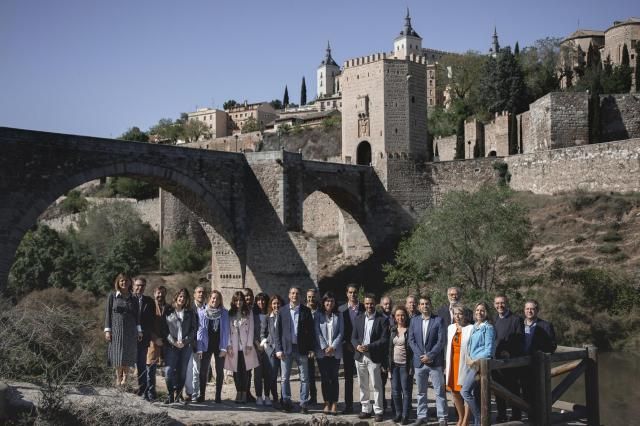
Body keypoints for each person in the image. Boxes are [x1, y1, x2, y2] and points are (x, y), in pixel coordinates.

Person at [275, 286, 316, 413]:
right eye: (292, 293)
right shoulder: (282, 311)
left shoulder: (306, 311)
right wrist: (278, 349)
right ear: (289, 295)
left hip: (302, 348)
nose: (294, 296)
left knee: (304, 378)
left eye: (297, 293)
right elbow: (278, 332)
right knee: (284, 378)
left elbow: (311, 332)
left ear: (300, 296)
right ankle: (287, 402)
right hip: (286, 349)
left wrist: (311, 348)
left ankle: (303, 403)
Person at [408, 295, 447, 426]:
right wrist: (421, 356)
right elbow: (411, 340)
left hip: (435, 362)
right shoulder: (414, 320)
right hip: (419, 362)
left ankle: (442, 418)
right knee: (420, 392)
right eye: (422, 304)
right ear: (419, 306)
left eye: (427, 303)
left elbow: (441, 341)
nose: (425, 306)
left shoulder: (438, 320)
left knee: (439, 391)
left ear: (431, 305)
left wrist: (430, 355)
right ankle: (422, 416)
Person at [351, 293, 389, 422]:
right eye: (367, 303)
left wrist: (369, 346)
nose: (369, 306)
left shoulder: (382, 320)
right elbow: (353, 337)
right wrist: (357, 346)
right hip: (360, 356)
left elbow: (384, 339)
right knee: (362, 384)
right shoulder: (359, 318)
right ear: (364, 304)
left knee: (376, 385)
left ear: (375, 303)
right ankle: (365, 409)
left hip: (374, 356)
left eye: (371, 303)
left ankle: (378, 411)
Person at [104, 274, 142, 388]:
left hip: (130, 329)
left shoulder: (134, 298)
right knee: (117, 354)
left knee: (127, 354)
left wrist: (139, 330)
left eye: (126, 280)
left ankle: (125, 379)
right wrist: (107, 330)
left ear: (130, 282)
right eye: (121, 281)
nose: (124, 283)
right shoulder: (112, 296)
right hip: (116, 329)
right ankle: (118, 378)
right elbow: (108, 314)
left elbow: (137, 316)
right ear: (118, 283)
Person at [461, 302, 496, 426]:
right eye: (477, 310)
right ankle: (477, 423)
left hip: (480, 365)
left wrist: (474, 361)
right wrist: (469, 358)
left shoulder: (488, 328)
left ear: (486, 312)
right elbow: (471, 346)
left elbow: (489, 350)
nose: (479, 313)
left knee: (464, 391)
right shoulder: (475, 326)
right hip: (472, 364)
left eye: (482, 310)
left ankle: (480, 418)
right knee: (476, 395)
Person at [521, 299, 557, 419]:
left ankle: (540, 418)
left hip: (538, 366)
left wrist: (541, 352)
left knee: (539, 393)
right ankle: (530, 416)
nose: (529, 311)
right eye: (527, 309)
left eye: (532, 309)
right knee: (525, 391)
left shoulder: (546, 325)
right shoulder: (520, 324)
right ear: (524, 310)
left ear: (537, 310)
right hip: (522, 365)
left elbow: (553, 346)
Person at [162, 288, 198, 405]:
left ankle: (178, 396)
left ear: (187, 299)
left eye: (184, 297)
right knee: (168, 371)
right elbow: (165, 330)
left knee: (182, 372)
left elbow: (194, 329)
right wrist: (173, 342)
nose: (182, 299)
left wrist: (185, 341)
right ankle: (170, 395)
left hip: (185, 347)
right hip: (171, 347)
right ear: (176, 297)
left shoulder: (190, 312)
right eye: (180, 296)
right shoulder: (168, 310)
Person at [493, 294, 524, 422]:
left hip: (511, 363)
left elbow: (520, 339)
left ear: (507, 303)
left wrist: (509, 352)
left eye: (502, 303)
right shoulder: (494, 319)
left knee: (513, 390)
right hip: (496, 362)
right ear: (494, 305)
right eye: (497, 303)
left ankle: (516, 416)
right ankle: (502, 415)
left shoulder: (516, 319)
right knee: (498, 391)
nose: (500, 305)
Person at [225, 290, 260, 404]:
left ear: (243, 301)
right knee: (236, 372)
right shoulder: (230, 314)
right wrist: (229, 345)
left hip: (246, 347)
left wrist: (250, 344)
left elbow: (251, 330)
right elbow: (228, 331)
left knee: (246, 372)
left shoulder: (248, 312)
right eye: (236, 300)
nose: (238, 302)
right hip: (234, 347)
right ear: (233, 301)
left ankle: (244, 394)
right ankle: (238, 392)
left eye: (240, 300)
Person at [195, 289, 229, 403]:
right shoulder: (202, 312)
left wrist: (224, 348)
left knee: (219, 371)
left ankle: (218, 396)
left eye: (217, 298)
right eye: (213, 298)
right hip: (206, 345)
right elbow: (199, 331)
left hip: (219, 346)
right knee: (203, 371)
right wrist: (199, 348)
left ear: (220, 300)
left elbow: (226, 331)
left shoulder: (224, 313)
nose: (215, 300)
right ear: (209, 299)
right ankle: (202, 395)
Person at [445, 303, 473, 426]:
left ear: (465, 315)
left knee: (466, 393)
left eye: (460, 313)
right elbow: (447, 347)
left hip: (465, 364)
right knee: (454, 392)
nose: (457, 316)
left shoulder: (471, 328)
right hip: (452, 363)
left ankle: (466, 420)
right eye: (455, 314)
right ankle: (460, 418)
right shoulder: (450, 327)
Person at [315, 291, 343, 415]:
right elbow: (317, 332)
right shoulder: (318, 314)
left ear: (334, 302)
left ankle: (334, 404)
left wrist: (333, 346)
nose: (329, 303)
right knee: (325, 379)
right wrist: (325, 346)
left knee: (334, 378)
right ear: (323, 302)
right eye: (327, 301)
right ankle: (326, 403)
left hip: (335, 352)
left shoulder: (339, 315)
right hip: (322, 352)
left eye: (331, 301)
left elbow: (342, 332)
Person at [338, 284, 364, 414]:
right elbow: (339, 330)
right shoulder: (341, 310)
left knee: (363, 377)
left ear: (357, 293)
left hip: (362, 348)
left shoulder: (364, 308)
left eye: (355, 292)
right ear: (346, 294)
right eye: (350, 292)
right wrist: (345, 343)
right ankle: (348, 405)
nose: (353, 295)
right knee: (348, 378)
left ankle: (365, 406)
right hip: (347, 348)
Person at [388, 305, 413, 425]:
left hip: (405, 366)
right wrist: (388, 366)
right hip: (394, 366)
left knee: (406, 391)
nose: (400, 317)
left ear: (406, 316)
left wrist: (411, 366)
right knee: (395, 391)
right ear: (394, 317)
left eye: (402, 315)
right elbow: (389, 349)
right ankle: (398, 413)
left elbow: (412, 351)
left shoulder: (409, 330)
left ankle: (405, 415)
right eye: (398, 315)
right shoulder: (392, 330)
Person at [132, 277, 154, 398]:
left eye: (142, 286)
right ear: (133, 285)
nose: (140, 288)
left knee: (142, 365)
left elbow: (151, 320)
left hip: (143, 339)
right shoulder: (128, 299)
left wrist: (147, 334)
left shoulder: (149, 301)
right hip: (130, 339)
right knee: (128, 366)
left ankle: (143, 393)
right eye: (138, 285)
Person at [145, 285, 168, 402]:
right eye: (158, 293)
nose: (160, 295)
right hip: (152, 343)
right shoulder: (149, 306)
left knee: (169, 371)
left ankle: (172, 395)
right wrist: (155, 339)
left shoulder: (169, 307)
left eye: (162, 293)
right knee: (150, 372)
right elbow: (146, 325)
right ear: (154, 294)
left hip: (167, 344)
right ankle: (150, 396)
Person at [185, 286, 207, 402]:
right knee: (189, 369)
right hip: (189, 343)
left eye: (203, 292)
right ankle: (189, 393)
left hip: (201, 344)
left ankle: (196, 394)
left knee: (198, 370)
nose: (201, 294)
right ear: (194, 294)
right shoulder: (189, 308)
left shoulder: (207, 308)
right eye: (199, 292)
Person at [261, 294, 283, 406]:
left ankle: (280, 397)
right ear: (271, 305)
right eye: (274, 303)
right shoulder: (267, 317)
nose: (276, 305)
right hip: (270, 349)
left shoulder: (284, 316)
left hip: (282, 350)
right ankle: (268, 395)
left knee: (282, 375)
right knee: (271, 374)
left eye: (278, 303)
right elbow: (262, 334)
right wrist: (265, 345)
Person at [254, 292, 272, 405]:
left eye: (263, 300)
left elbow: (271, 330)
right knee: (258, 374)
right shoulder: (253, 314)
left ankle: (267, 396)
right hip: (256, 347)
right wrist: (257, 343)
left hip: (268, 346)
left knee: (268, 373)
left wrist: (265, 342)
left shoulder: (270, 314)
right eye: (259, 300)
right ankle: (259, 396)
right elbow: (251, 331)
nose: (261, 302)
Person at [244, 288, 260, 403]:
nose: (248, 298)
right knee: (244, 370)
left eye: (250, 296)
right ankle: (244, 392)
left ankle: (249, 392)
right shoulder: (240, 310)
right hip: (244, 344)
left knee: (251, 370)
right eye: (246, 296)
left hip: (256, 343)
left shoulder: (256, 310)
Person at [379, 295, 394, 415]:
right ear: (381, 305)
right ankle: (382, 405)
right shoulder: (378, 318)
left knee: (395, 383)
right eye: (385, 304)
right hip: (382, 355)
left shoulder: (396, 317)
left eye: (389, 304)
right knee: (381, 383)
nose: (388, 306)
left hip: (395, 354)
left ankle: (395, 406)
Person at [306, 288, 320, 405]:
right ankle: (313, 396)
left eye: (313, 297)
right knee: (309, 373)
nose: (311, 299)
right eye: (309, 297)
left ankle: (327, 399)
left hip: (321, 345)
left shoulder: (320, 310)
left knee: (324, 373)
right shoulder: (303, 310)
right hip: (308, 346)